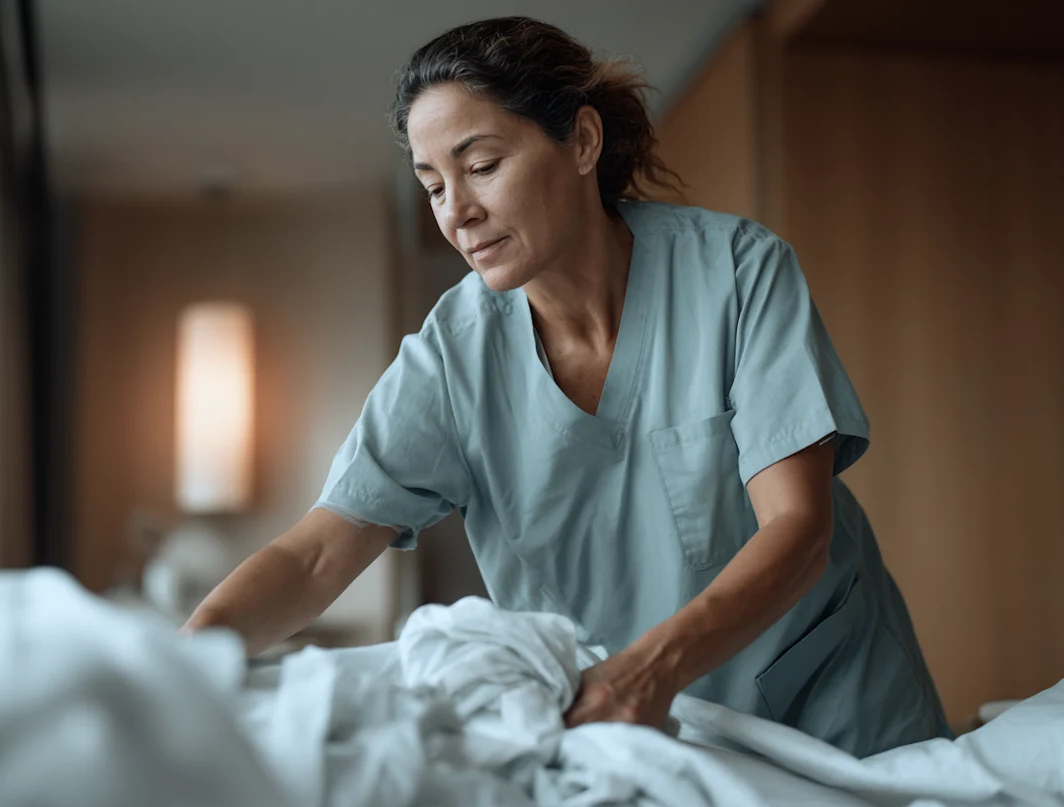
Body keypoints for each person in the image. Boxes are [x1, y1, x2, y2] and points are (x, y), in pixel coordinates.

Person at [186, 16, 951, 757]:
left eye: (481, 165)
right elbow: (318, 554)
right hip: (641, 738)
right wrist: (186, 658)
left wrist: (650, 669)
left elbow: (798, 528)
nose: (457, 211)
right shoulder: (453, 359)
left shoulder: (737, 274)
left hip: (837, 714)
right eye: (433, 184)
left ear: (582, 142)